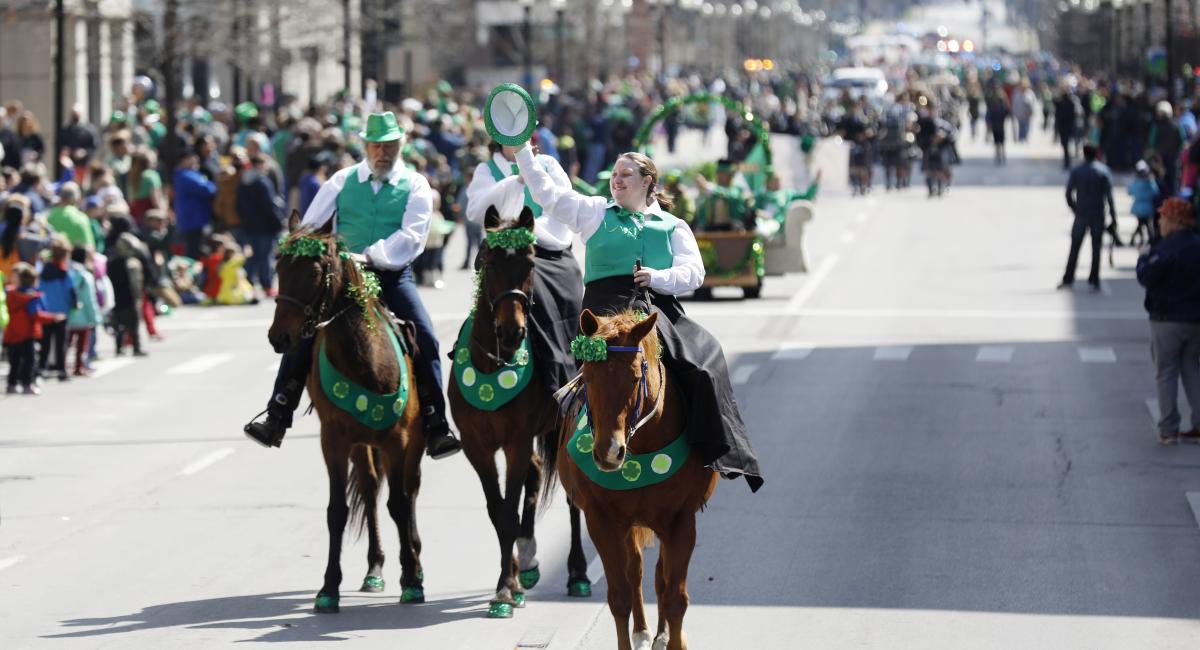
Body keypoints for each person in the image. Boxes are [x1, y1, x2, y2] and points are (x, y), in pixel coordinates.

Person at [514, 141, 762, 491]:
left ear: (647, 182)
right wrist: (523, 151)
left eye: (626, 174)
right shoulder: (595, 211)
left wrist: (657, 278)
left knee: (705, 360)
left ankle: (713, 450)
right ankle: (568, 443)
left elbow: (695, 272)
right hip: (602, 311)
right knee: (580, 367)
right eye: (615, 174)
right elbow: (548, 195)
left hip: (655, 307)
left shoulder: (673, 225)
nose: (617, 179)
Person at [243, 111, 461, 459]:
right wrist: (310, 251)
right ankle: (278, 412)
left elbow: (412, 237)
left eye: (389, 145)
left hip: (389, 275)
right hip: (342, 278)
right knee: (304, 328)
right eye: (376, 145)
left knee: (425, 335)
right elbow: (312, 225)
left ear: (400, 146)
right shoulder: (342, 181)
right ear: (365, 146)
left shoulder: (415, 184)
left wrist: (370, 257)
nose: (382, 152)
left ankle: (436, 422)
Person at [465, 137, 584, 400]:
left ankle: (568, 373)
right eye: (512, 135)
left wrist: (533, 229)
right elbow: (477, 211)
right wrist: (515, 181)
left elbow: (563, 205)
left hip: (549, 249)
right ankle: (437, 414)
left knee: (575, 294)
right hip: (504, 252)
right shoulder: (486, 170)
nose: (522, 141)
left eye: (526, 133)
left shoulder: (548, 164)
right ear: (498, 139)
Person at [1135, 198, 1200, 445]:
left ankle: (1168, 428)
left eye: (1164, 218)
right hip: (1195, 320)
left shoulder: (1165, 249)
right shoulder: (1197, 245)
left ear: (1175, 222)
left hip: (1167, 319)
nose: (1160, 222)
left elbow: (1147, 276)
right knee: (1192, 369)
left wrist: (1143, 258)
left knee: (1166, 373)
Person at [1060, 144, 1116, 291]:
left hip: (1082, 213)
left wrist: (1075, 208)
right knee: (1096, 248)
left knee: (1075, 247)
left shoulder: (1077, 171)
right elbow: (1110, 197)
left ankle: (1068, 277)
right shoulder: (1103, 171)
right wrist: (1113, 216)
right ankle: (1094, 278)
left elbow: (1068, 193)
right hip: (1098, 213)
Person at [5, 262, 63, 395]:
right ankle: (27, 384)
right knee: (29, 361)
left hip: (12, 333)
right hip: (27, 334)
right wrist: (53, 318)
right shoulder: (32, 297)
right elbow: (36, 314)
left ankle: (11, 384)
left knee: (14, 362)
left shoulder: (10, 294)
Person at [235, 152, 286, 297]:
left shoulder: (243, 181)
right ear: (260, 165)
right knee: (265, 257)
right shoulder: (262, 182)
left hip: (249, 226)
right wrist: (278, 222)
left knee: (252, 256)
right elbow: (269, 206)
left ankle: (247, 283)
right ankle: (267, 285)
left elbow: (239, 205)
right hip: (265, 226)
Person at [37, 236, 77, 381]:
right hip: (62, 311)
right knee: (61, 343)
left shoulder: (44, 272)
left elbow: (39, 290)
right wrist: (75, 305)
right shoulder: (65, 272)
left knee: (45, 342)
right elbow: (71, 291)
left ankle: (42, 368)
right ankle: (61, 370)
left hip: (47, 311)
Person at [173, 148, 218, 259]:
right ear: (184, 160)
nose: (196, 161)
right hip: (194, 220)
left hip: (192, 220)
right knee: (195, 252)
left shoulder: (185, 175)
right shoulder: (186, 176)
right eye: (192, 159)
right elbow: (209, 190)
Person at [66, 246, 102, 376]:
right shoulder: (85, 275)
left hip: (68, 314)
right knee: (82, 346)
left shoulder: (67, 272)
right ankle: (79, 367)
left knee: (67, 343)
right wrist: (95, 318)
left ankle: (63, 365)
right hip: (83, 316)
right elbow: (89, 299)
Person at [694, 159, 755, 231]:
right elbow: (702, 209)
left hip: (732, 228)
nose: (720, 176)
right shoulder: (710, 192)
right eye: (718, 173)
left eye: (723, 174)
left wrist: (708, 187)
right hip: (712, 228)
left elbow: (732, 196)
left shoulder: (736, 189)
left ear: (730, 175)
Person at [46, 182, 94, 249]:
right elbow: (89, 248)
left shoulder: (49, 215)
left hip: (51, 257)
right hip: (74, 258)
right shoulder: (81, 218)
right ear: (77, 198)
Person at [1128, 160, 1160, 247]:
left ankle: (1139, 239)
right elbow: (1156, 192)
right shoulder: (1150, 182)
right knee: (1146, 224)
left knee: (1141, 224)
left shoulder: (1136, 182)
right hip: (1148, 208)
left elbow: (1129, 192)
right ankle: (1149, 239)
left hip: (1138, 208)